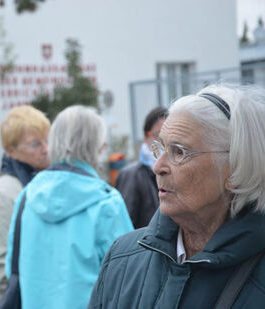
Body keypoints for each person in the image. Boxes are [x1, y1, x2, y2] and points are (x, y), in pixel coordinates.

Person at [88, 84, 265, 308]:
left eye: (179, 152)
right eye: (160, 149)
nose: (158, 167)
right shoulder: (121, 259)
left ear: (234, 169)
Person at [5, 105, 134, 309]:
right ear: (98, 147)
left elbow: (11, 268)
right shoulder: (107, 203)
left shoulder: (27, 196)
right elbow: (128, 281)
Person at [0, 105, 50, 305]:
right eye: (36, 144)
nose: (45, 149)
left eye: (47, 140)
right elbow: (0, 266)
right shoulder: (5, 192)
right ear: (11, 150)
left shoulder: (39, 181)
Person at [115, 106, 167, 228]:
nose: (162, 143)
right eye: (158, 136)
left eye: (167, 137)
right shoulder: (131, 176)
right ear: (146, 136)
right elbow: (124, 225)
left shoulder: (175, 173)